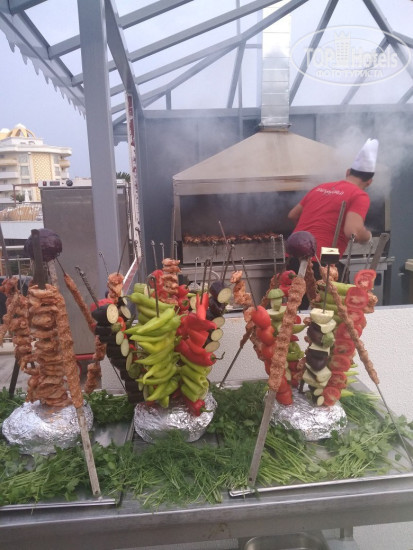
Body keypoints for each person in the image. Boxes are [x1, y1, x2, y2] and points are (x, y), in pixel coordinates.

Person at [288, 138, 378, 263]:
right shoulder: (359, 195)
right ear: (369, 182)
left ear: (347, 172)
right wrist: (367, 236)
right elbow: (352, 232)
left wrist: (306, 238)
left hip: (293, 256)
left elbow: (292, 215)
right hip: (321, 261)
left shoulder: (321, 187)